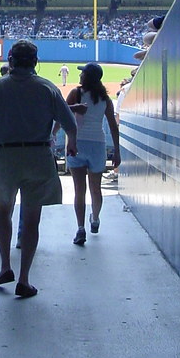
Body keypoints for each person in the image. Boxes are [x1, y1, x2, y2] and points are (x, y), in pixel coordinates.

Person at [0, 40, 78, 298]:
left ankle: (5, 267)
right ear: (35, 62)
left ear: (10, 60)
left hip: (5, 156)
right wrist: (72, 145)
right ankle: (24, 279)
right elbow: (69, 124)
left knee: (2, 212)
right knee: (31, 220)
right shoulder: (47, 87)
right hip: (38, 156)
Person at [64, 62, 120, 245]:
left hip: (77, 144)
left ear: (87, 77)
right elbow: (113, 126)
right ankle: (94, 219)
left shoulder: (76, 93)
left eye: (83, 73)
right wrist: (117, 152)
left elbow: (61, 112)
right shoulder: (105, 99)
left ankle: (80, 228)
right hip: (98, 146)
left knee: (79, 190)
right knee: (96, 188)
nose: (80, 76)